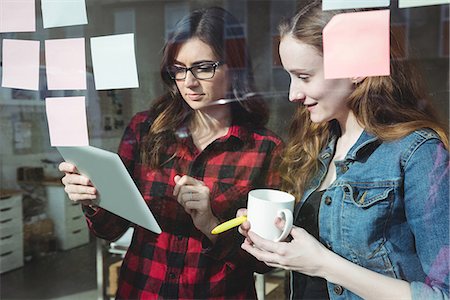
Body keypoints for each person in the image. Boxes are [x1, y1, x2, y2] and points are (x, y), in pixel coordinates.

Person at [59, 7, 283, 299]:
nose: (188, 82)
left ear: (235, 67)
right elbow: (110, 230)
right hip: (142, 289)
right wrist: (93, 198)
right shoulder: (146, 130)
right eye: (178, 69)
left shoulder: (264, 148)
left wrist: (211, 224)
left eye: (203, 67)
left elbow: (265, 262)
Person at [238, 1, 449, 299]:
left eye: (304, 76)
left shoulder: (418, 153)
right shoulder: (317, 143)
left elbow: (442, 294)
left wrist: (322, 264)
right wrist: (274, 241)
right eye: (290, 76)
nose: (292, 94)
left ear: (356, 70)